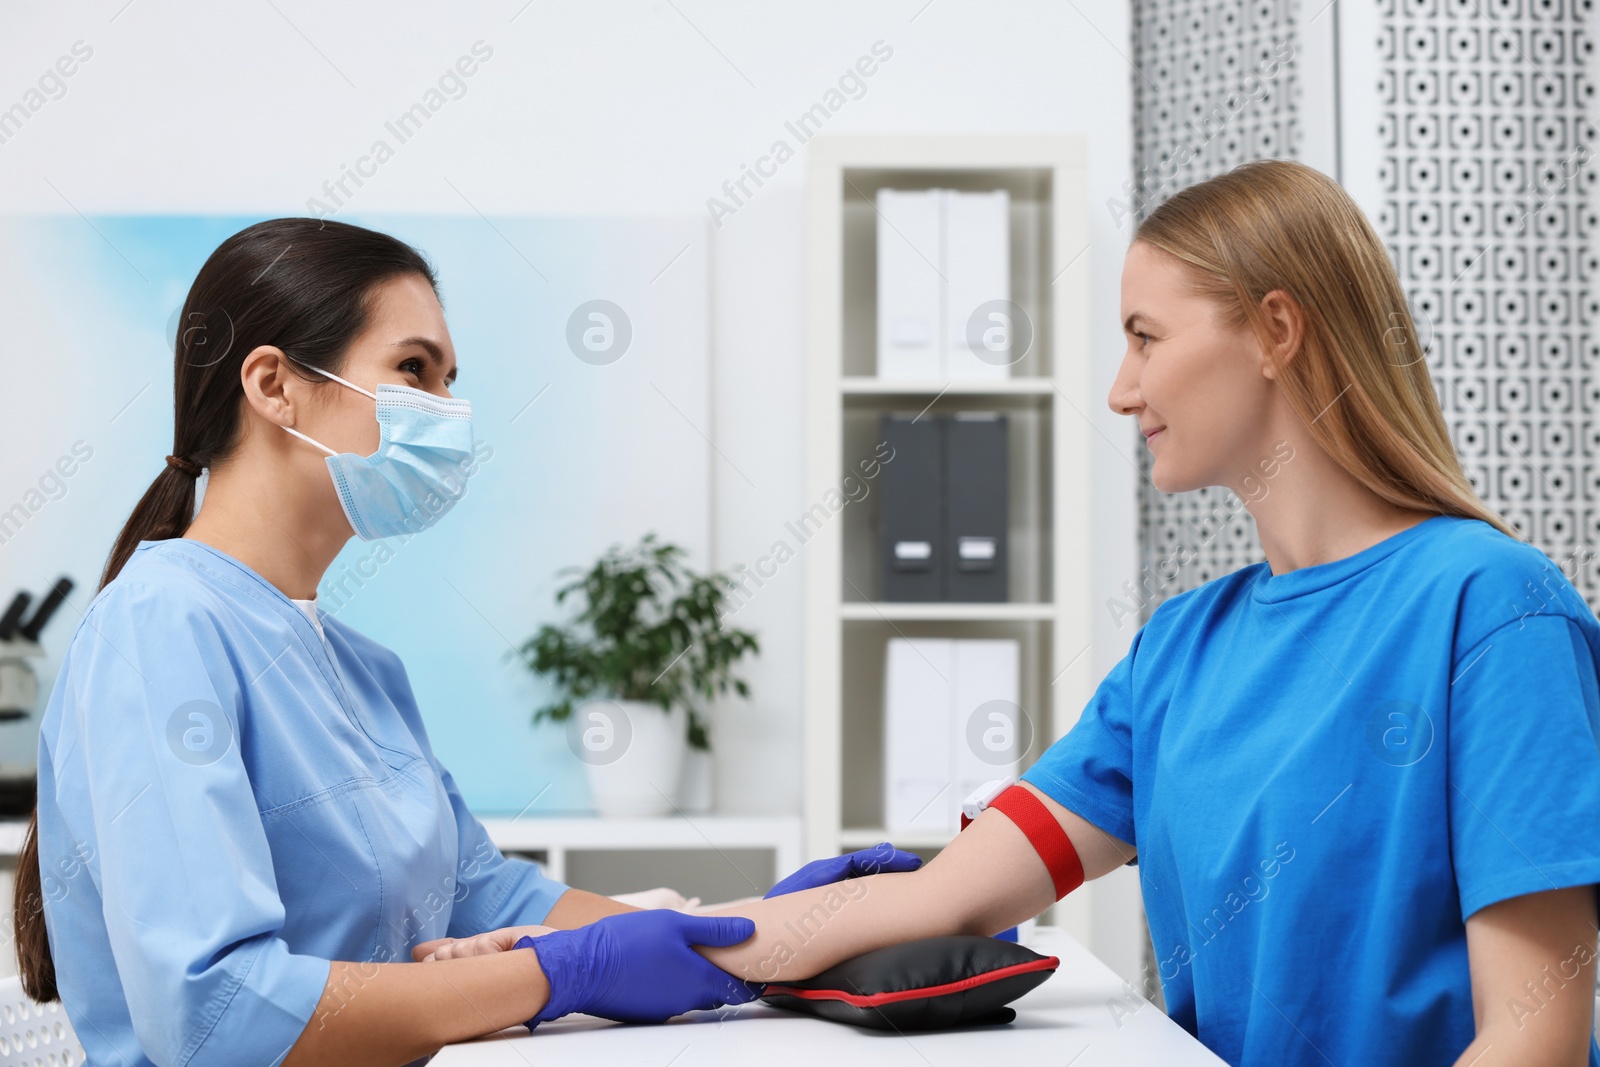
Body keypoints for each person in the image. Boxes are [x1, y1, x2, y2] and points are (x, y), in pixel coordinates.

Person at [432, 160, 1600, 1066]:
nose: (1120, 388)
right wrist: (560, 961)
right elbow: (939, 896)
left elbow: (1535, 1033)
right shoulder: (1182, 647)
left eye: (1145, 336)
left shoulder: (1490, 609)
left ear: (1277, 331)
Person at [17, 217, 919, 1067]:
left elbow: (486, 896)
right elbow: (215, 1011)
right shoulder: (160, 626)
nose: (448, 411)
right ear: (273, 384)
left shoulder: (362, 670)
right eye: (416, 369)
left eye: (450, 378)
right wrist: (555, 974)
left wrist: (762, 930)